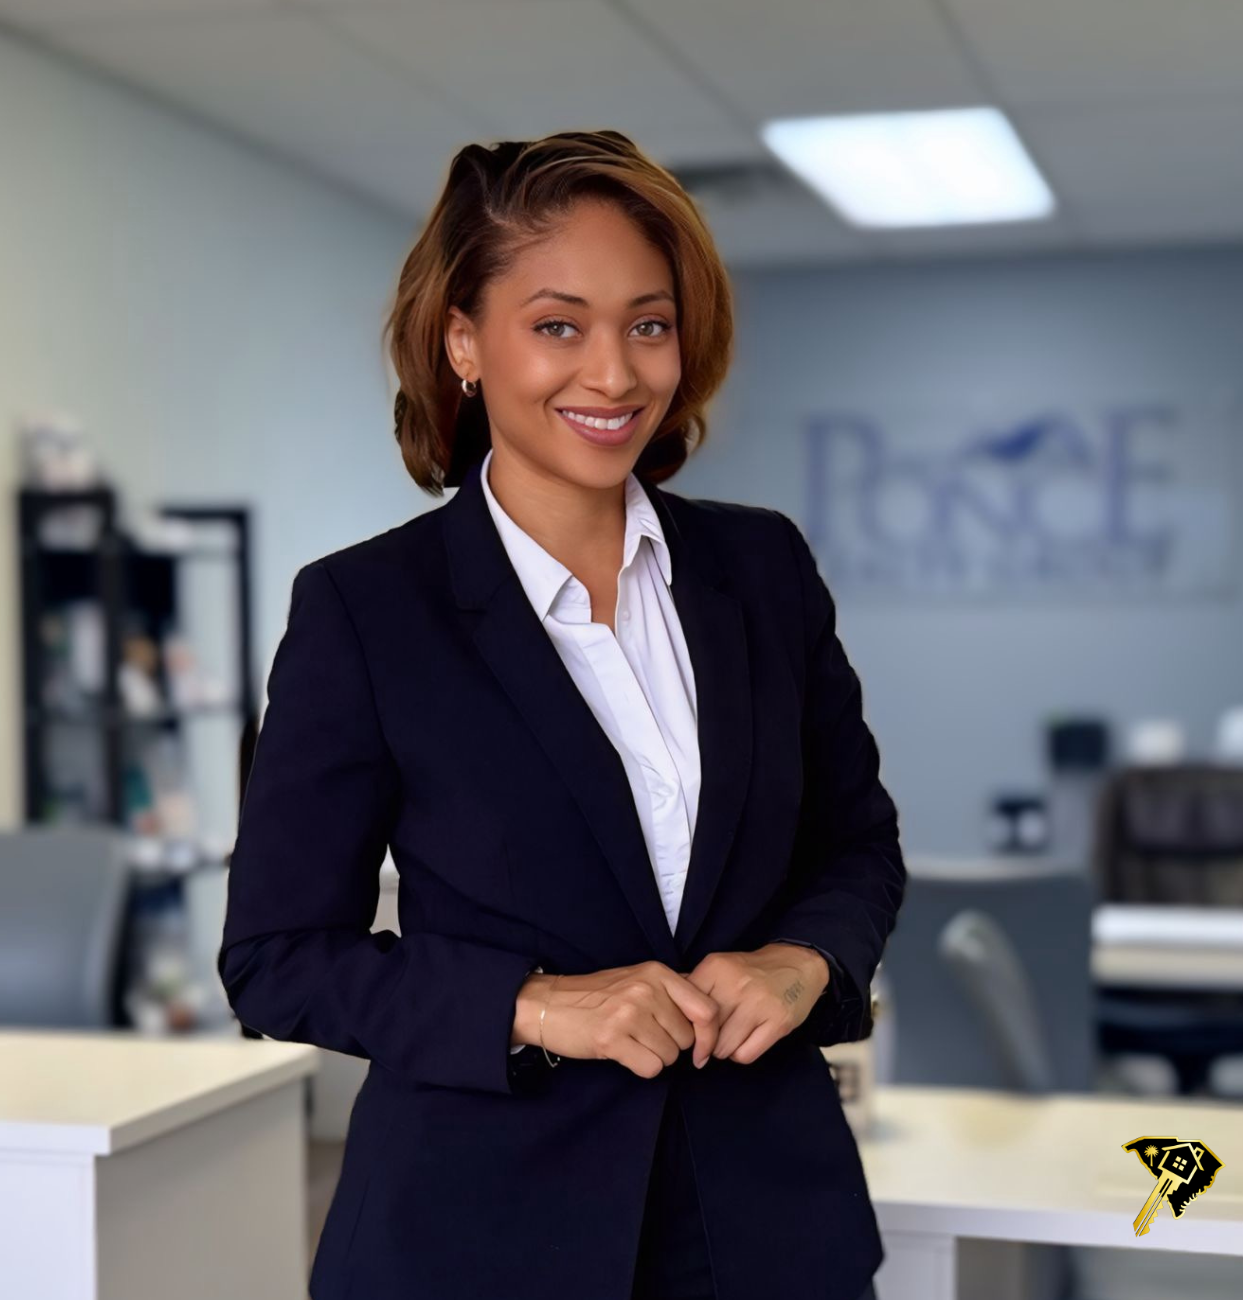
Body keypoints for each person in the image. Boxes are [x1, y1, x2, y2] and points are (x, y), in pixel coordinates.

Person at [218, 129, 904, 1300]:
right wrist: (535, 1006)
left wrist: (802, 963)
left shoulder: (761, 570)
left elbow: (853, 843)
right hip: (479, 1234)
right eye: (556, 325)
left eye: (649, 322)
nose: (615, 373)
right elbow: (279, 958)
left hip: (763, 1231)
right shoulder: (367, 611)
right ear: (462, 343)